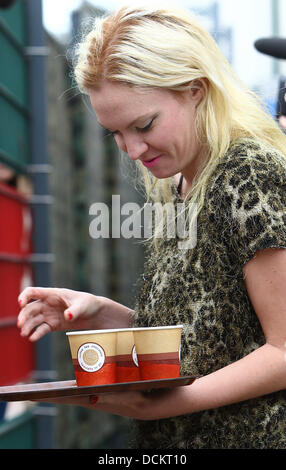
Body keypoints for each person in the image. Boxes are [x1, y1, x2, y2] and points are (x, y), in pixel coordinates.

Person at [17, 4, 286, 449]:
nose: (132, 149)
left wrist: (162, 406)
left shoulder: (249, 175)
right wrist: (100, 312)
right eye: (114, 133)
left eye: (143, 124)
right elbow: (207, 334)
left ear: (195, 89)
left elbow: (281, 351)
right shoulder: (179, 183)